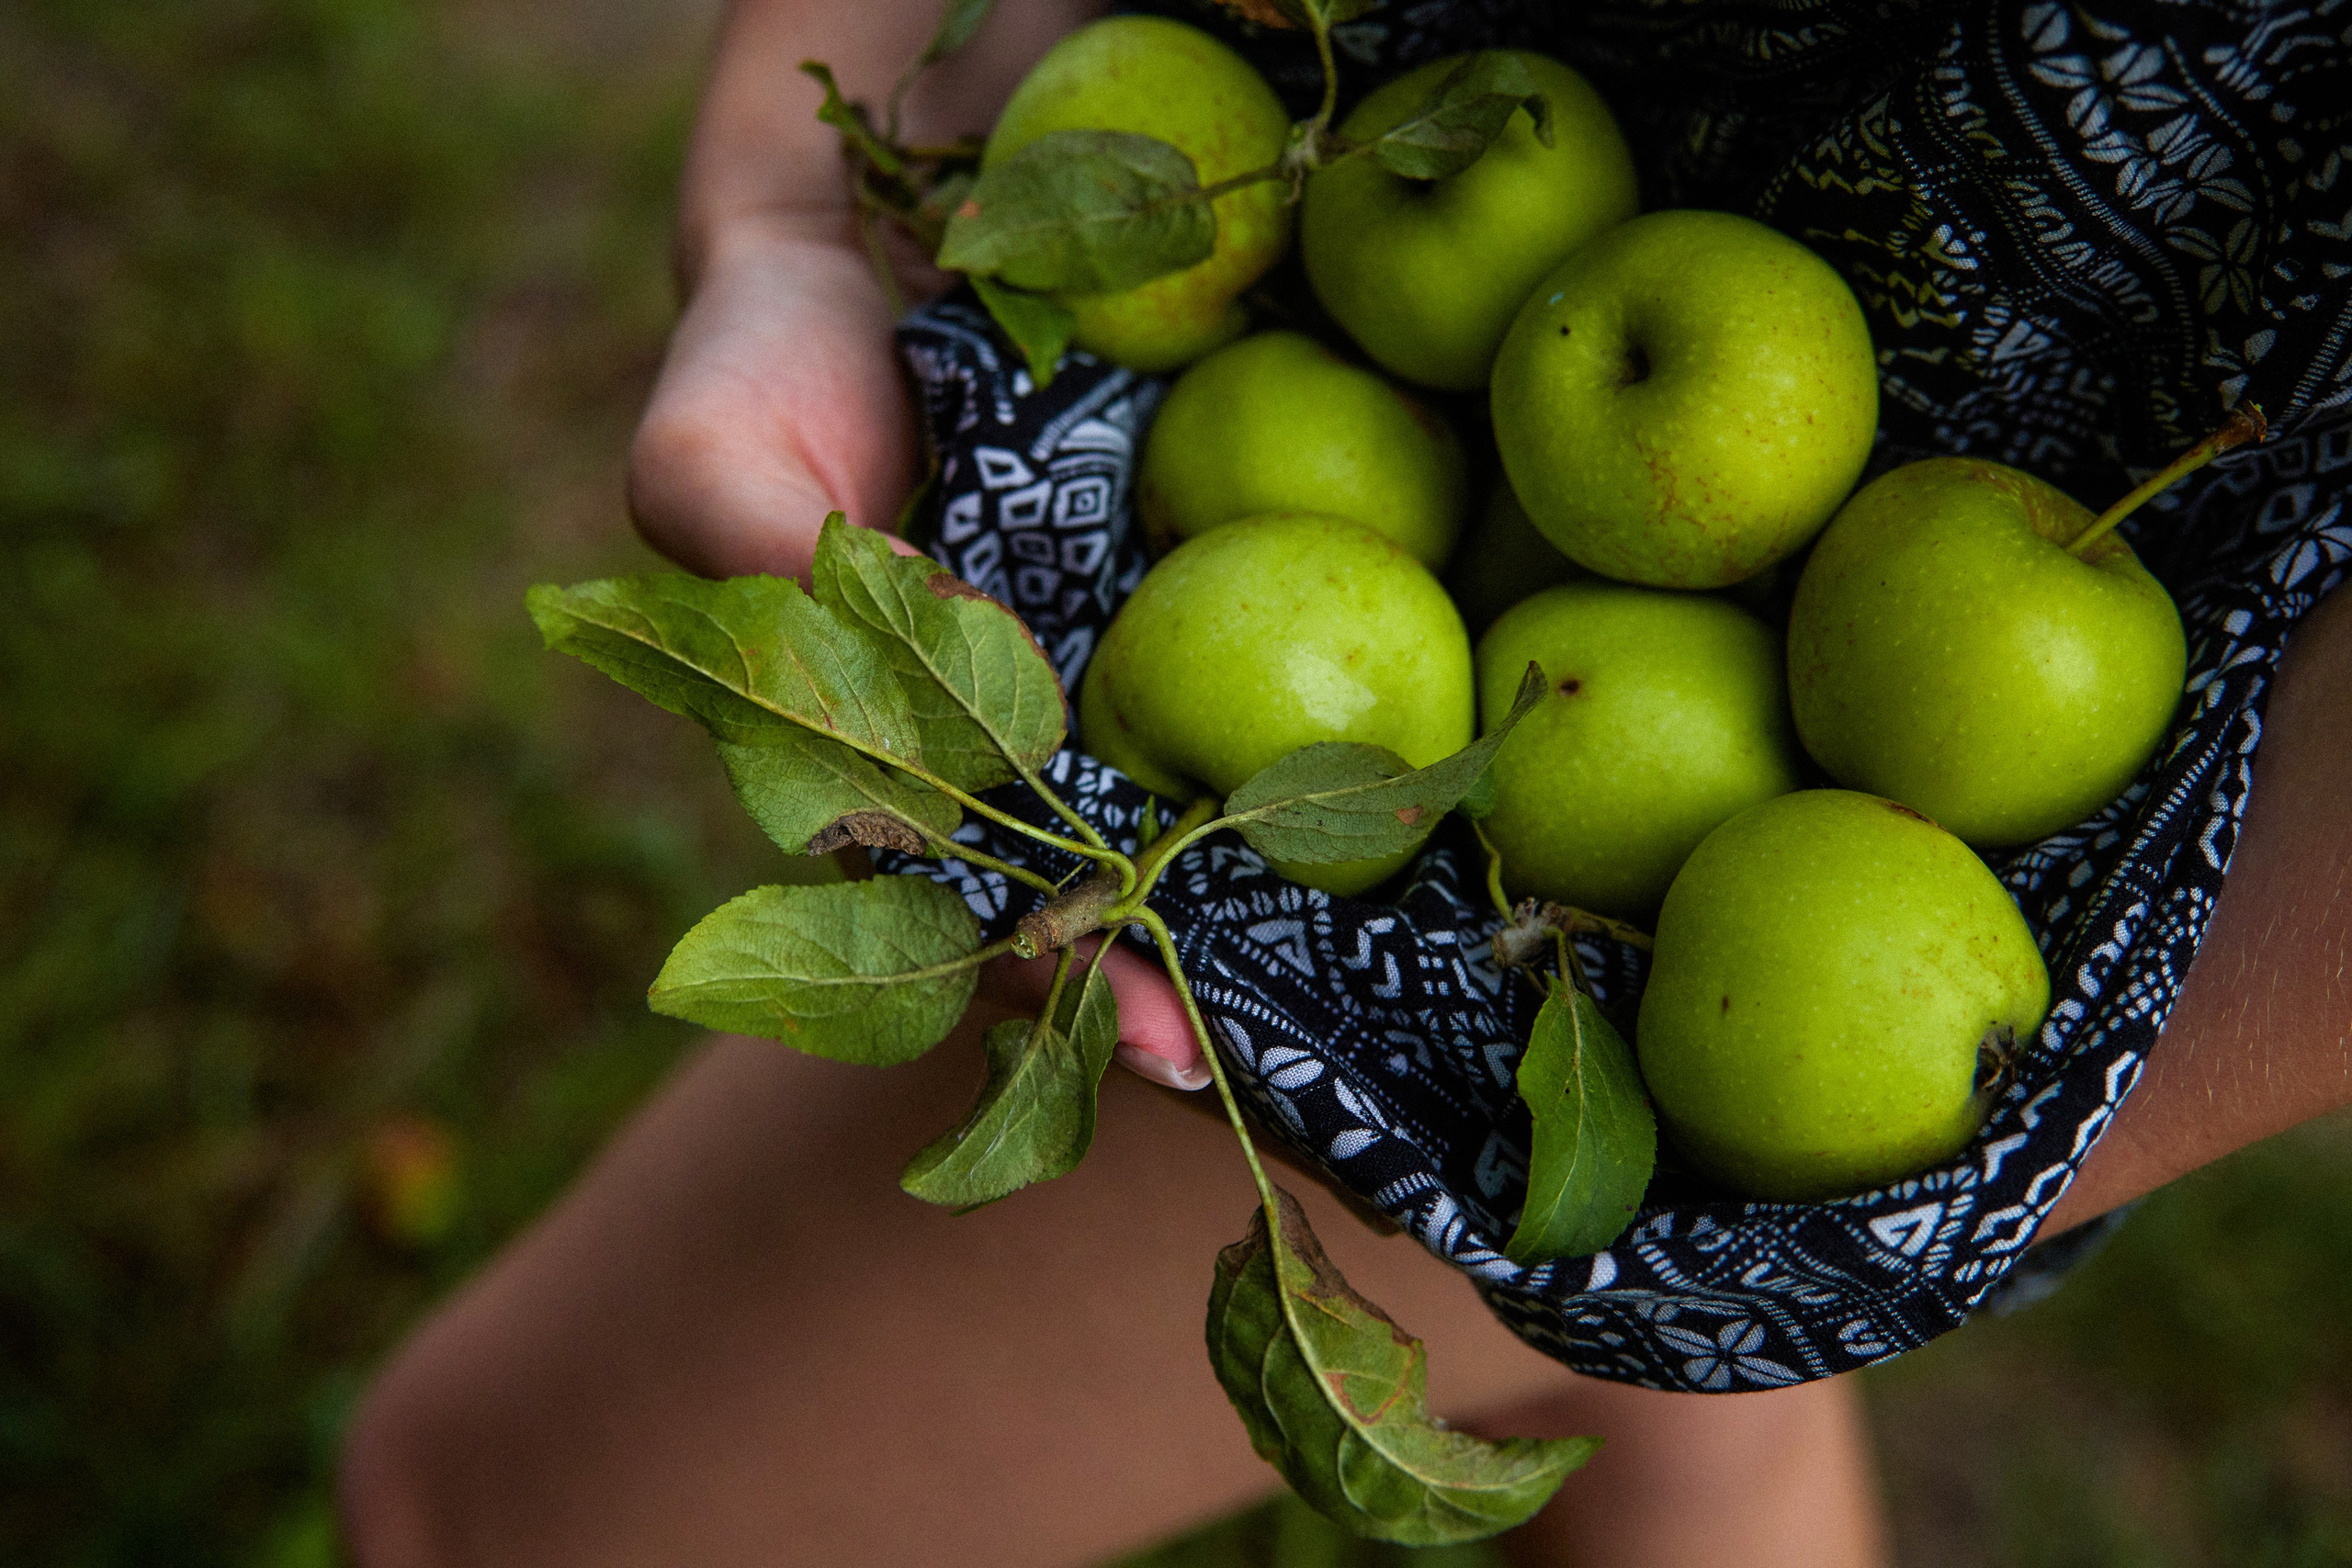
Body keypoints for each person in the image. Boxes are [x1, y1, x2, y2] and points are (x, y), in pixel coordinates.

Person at [336, 2, 2352, 1563]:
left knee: (469, 1509)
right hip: (1398, 325)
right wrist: (793, 193)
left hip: (1866, 816)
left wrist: (1993, 1161)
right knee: (1667, 1402)